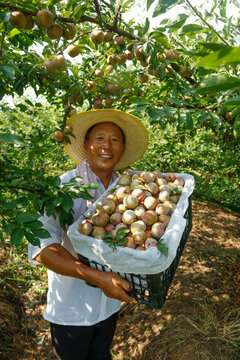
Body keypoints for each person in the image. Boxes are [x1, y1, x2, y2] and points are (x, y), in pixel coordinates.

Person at [28, 109, 149, 360]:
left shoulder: (126, 190)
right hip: (72, 309)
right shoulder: (62, 188)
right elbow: (42, 248)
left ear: (123, 148)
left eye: (115, 140)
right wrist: (97, 276)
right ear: (86, 145)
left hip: (109, 306)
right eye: (100, 138)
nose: (107, 145)